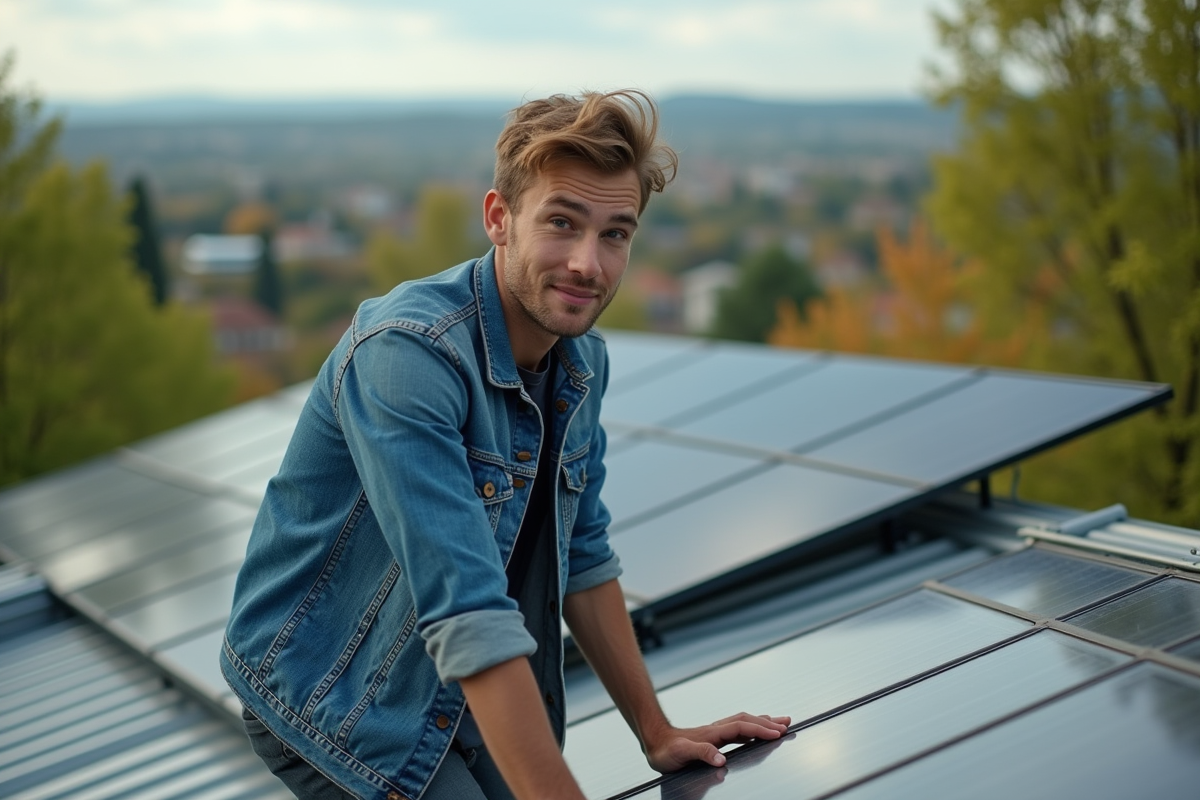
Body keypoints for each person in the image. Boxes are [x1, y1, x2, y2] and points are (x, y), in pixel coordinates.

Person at [221, 89, 790, 800]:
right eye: (562, 222)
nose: (589, 263)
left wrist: (657, 730)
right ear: (499, 219)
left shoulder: (583, 365)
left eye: (616, 233)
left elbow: (583, 551)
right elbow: (466, 608)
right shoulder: (406, 355)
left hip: (458, 687)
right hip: (336, 689)